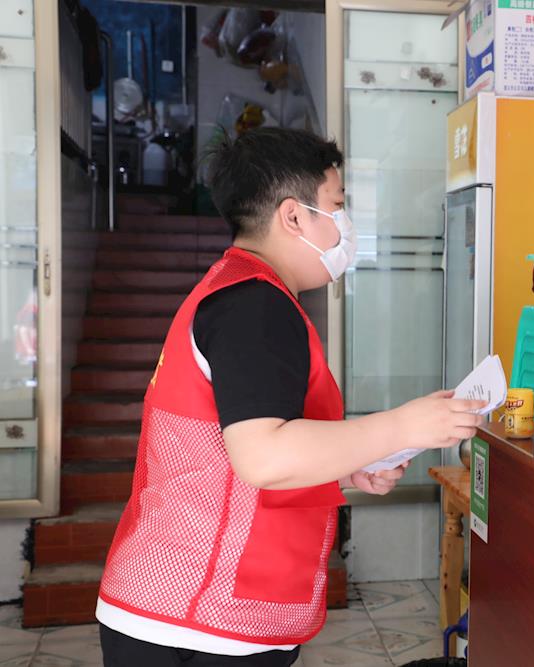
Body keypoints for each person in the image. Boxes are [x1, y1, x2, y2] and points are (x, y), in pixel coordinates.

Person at [97, 128, 486, 666]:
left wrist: (349, 465)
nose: (345, 225)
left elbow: (225, 450)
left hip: (186, 605)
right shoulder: (254, 305)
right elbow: (264, 456)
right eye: (337, 206)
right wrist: (403, 426)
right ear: (294, 216)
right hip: (197, 620)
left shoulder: (238, 291)